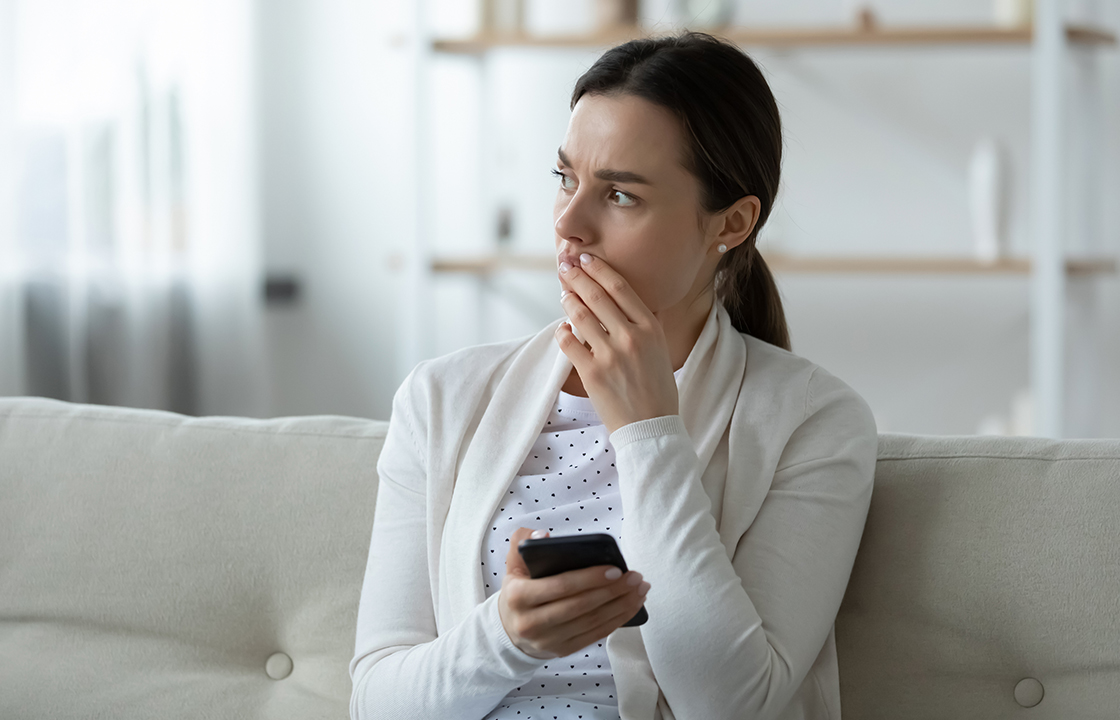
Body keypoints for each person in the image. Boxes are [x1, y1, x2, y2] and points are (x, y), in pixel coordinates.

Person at [350, 31, 877, 720]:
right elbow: (376, 702)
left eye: (620, 195)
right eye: (566, 178)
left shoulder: (813, 420)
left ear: (733, 223)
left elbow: (731, 705)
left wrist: (649, 432)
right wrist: (506, 637)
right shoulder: (441, 399)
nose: (568, 223)